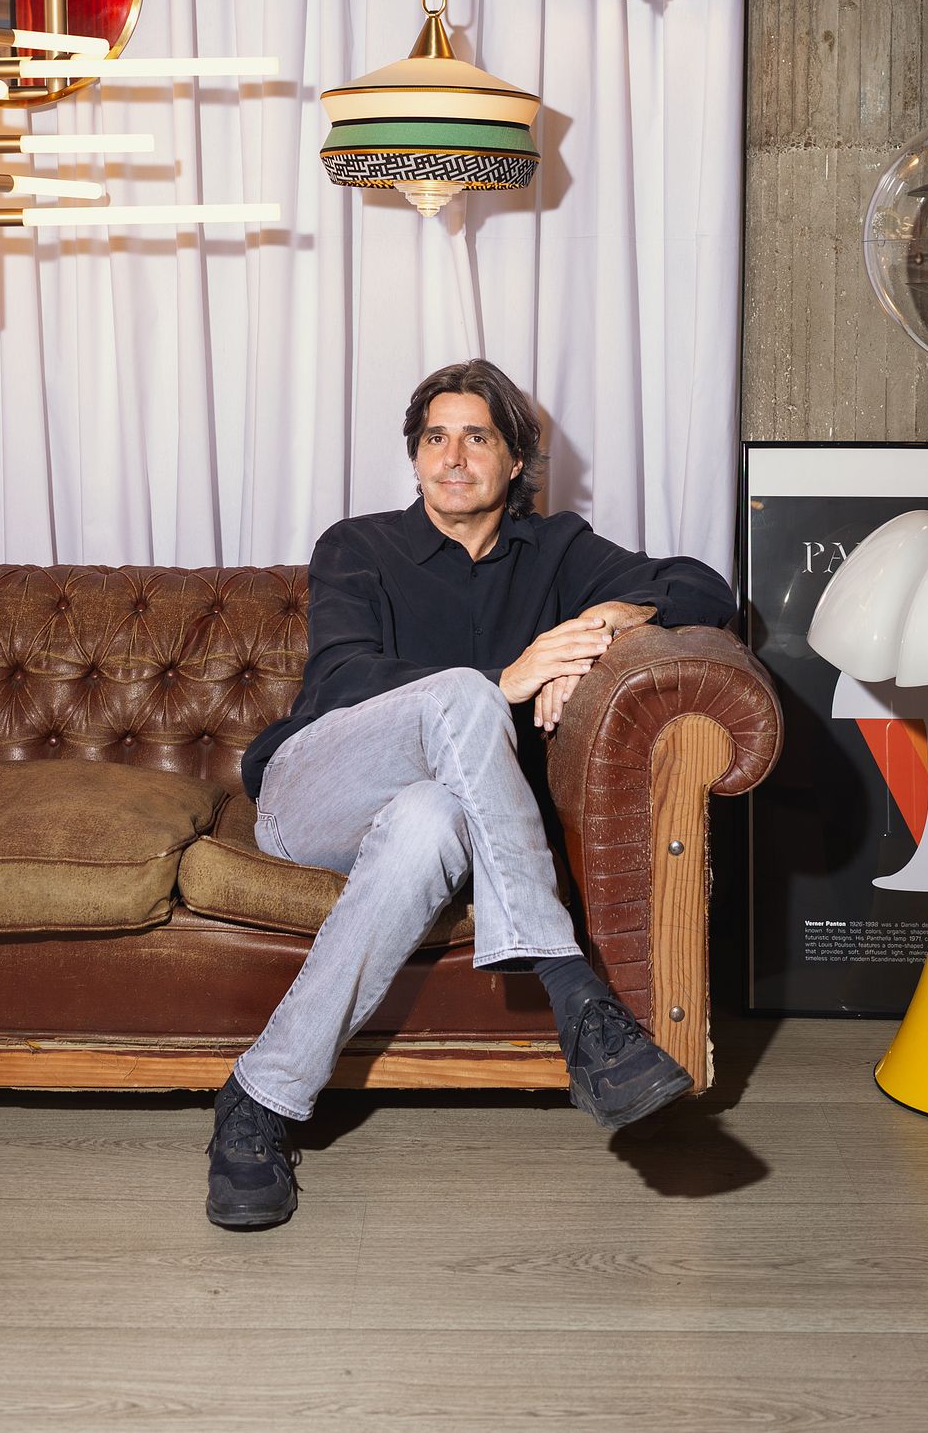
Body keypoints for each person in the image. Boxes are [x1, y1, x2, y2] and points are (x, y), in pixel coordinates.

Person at [206, 359, 736, 1229]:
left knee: (434, 818)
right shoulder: (359, 545)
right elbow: (342, 679)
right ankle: (574, 991)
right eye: (434, 438)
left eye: (477, 437)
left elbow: (704, 587)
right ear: (415, 456)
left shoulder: (557, 550)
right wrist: (509, 680)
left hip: (432, 814)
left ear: (516, 460)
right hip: (315, 792)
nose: (452, 458)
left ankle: (257, 1102)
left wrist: (602, 624)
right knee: (461, 691)